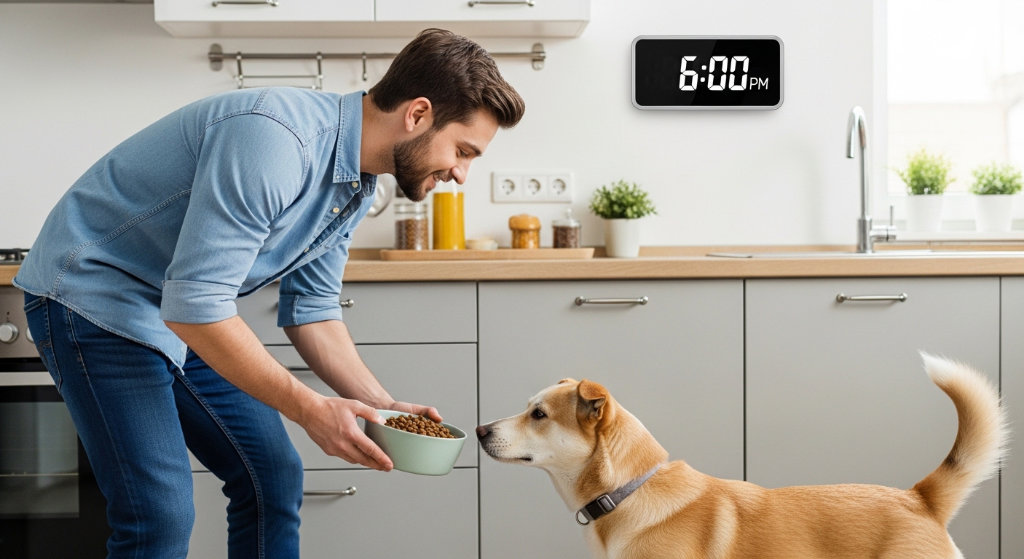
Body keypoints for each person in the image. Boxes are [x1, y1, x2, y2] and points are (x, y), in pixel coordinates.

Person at [14, 28, 525, 558]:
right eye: (463, 151)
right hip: (93, 295)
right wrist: (309, 408)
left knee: (272, 476)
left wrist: (383, 407)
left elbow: (312, 311)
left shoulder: (354, 181)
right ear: (418, 114)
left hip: (177, 308)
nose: (462, 174)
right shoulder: (275, 137)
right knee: (159, 516)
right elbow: (197, 305)